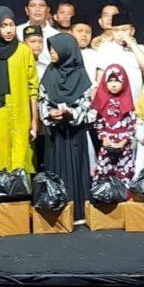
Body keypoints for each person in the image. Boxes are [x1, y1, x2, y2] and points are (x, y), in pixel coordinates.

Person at [0, 6, 39, 180]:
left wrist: (34, 120)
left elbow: (33, 87)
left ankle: (20, 195)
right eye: (3, 26)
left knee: (20, 162)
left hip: (21, 116)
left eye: (11, 25)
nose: (9, 30)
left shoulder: (24, 51)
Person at [39, 33, 95, 221]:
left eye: (55, 49)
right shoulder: (49, 72)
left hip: (75, 134)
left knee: (76, 170)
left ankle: (78, 211)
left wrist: (71, 113)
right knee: (56, 168)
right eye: (50, 49)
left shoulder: (81, 75)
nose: (51, 53)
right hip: (55, 134)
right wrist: (49, 113)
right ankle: (58, 211)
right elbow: (42, 100)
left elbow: (87, 107)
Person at [92, 64, 136, 187]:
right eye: (110, 81)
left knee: (124, 176)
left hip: (124, 147)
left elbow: (132, 125)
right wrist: (104, 138)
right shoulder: (102, 102)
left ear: (124, 82)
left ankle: (123, 196)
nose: (114, 84)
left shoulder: (128, 102)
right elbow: (99, 124)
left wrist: (124, 141)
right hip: (107, 145)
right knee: (104, 175)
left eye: (117, 80)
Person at [95, 12, 144, 102]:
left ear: (132, 31)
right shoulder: (105, 48)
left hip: (135, 101)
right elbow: (100, 77)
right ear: (112, 32)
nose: (120, 34)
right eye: (116, 30)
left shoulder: (140, 48)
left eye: (124, 30)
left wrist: (132, 43)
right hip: (112, 103)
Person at [16, 0, 59, 67]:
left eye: (41, 5)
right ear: (26, 10)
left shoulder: (57, 36)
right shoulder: (17, 32)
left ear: (48, 9)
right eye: (32, 5)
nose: (37, 9)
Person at [71, 17, 98, 84]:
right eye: (80, 31)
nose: (84, 35)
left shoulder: (95, 54)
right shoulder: (63, 53)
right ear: (71, 33)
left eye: (88, 32)